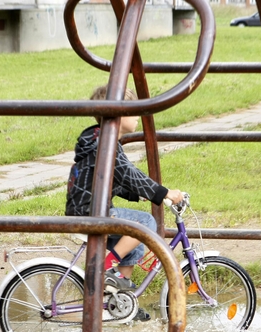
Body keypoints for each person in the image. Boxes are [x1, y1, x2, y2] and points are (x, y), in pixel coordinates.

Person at [65, 85, 184, 320]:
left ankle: (121, 302)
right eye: (133, 110)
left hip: (90, 208)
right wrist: (163, 193)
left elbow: (113, 179)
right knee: (145, 222)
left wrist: (135, 194)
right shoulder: (105, 144)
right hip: (89, 212)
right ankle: (104, 270)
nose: (138, 116)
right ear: (117, 115)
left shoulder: (103, 140)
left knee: (136, 245)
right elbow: (128, 173)